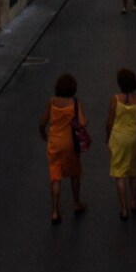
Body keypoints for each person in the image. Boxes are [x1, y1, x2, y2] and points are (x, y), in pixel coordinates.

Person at [39, 71, 88, 223]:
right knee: (74, 173)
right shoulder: (75, 103)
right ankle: (76, 203)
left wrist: (44, 134)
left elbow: (42, 122)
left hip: (54, 142)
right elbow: (83, 122)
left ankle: (55, 211)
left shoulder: (52, 102)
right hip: (70, 143)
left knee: (55, 175)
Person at [105, 66, 136, 218]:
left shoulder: (115, 99)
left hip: (118, 137)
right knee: (134, 171)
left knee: (119, 173)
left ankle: (123, 208)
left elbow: (109, 122)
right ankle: (134, 201)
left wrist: (108, 138)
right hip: (133, 138)